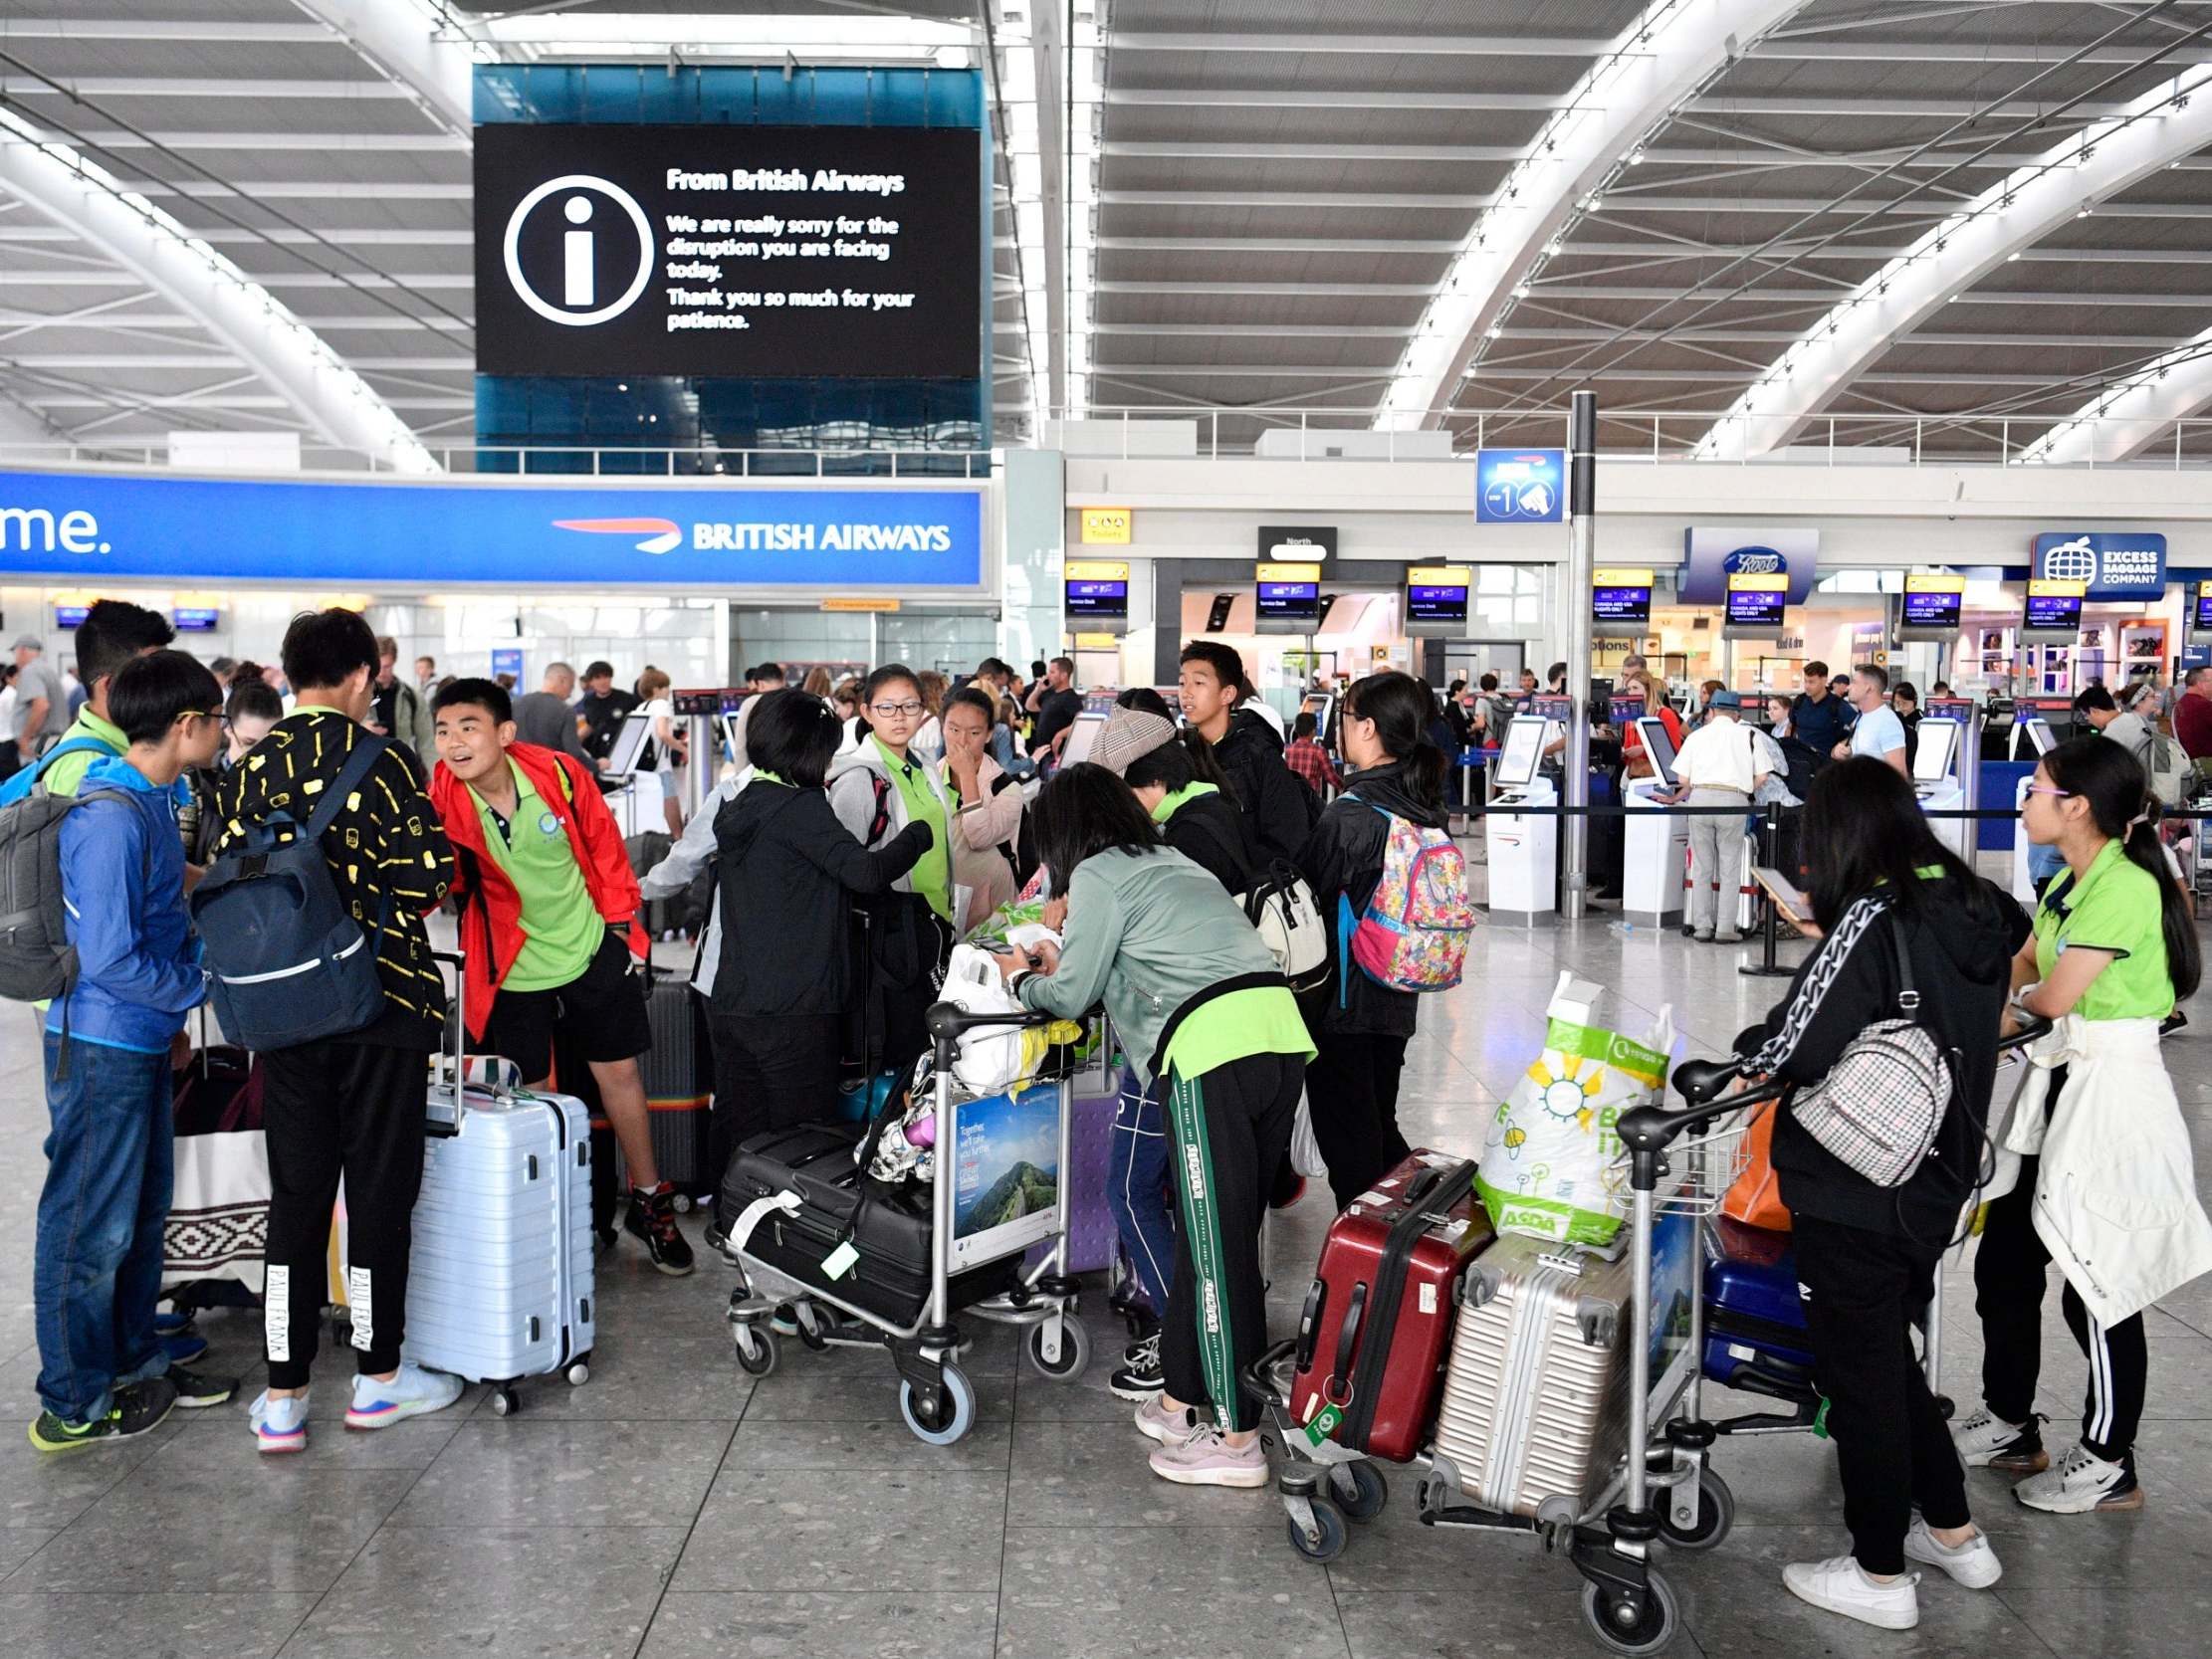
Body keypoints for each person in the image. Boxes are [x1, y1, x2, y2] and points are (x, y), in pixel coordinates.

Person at [1734, 758, 2026, 1631]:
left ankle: (1878, 1571)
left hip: (1856, 1178)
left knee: (1856, 1373)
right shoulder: (1979, 903)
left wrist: (1742, 1054)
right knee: (1886, 1357)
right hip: (1936, 1176)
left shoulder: (1873, 915)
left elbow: (1794, 1043)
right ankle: (1956, 1530)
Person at [996, 763, 1312, 1488]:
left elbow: (1071, 996)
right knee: (1221, 1238)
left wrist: (1023, 976)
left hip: (1211, 1053)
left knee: (1215, 1246)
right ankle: (1180, 1400)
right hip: (1275, 1035)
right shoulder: (1170, 858)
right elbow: (1145, 961)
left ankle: (1236, 1443)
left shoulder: (1101, 873)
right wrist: (1062, 958)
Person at [212, 608, 461, 1453]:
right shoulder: (383, 760)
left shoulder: (246, 771)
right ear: (361, 677)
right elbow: (429, 877)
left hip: (281, 1011)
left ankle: (283, 1396)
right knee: (379, 1192)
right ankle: (377, 1379)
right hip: (380, 1005)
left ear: (288, 675)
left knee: (299, 1195)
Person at [1957, 736, 2210, 1514]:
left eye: (2035, 788)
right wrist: (1997, 999)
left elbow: (2056, 995)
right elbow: (2029, 962)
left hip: (2112, 1096)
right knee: (2004, 1259)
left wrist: (2001, 1008)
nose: (2023, 799)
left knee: (2097, 1279)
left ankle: (2110, 1460)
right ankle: (2008, 1421)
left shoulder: (2126, 888)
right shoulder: (2072, 878)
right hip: (2059, 1083)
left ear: (2077, 805)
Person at [29, 650, 236, 1454]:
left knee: (139, 1215)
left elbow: (154, 916)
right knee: (88, 1225)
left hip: (143, 1038)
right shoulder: (112, 813)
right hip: (100, 1043)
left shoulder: (153, 797)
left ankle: (132, 1361)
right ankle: (72, 1400)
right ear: (185, 725)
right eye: (215, 720)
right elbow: (112, 955)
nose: (221, 733)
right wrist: (201, 987)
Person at [428, 679, 694, 1278]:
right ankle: (562, 1214)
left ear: (504, 733)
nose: (454, 742)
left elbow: (605, 852)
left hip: (587, 947)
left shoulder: (559, 776)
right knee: (537, 1099)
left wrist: (620, 934)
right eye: (443, 730)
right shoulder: (441, 798)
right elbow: (440, 885)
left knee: (621, 1077)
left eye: (468, 726)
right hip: (511, 967)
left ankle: (650, 1202)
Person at [710, 690, 932, 1176]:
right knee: (800, 1142)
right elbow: (867, 874)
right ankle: (786, 1245)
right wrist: (917, 836)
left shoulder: (739, 803)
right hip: (796, 1005)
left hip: (733, 1001)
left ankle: (733, 1229)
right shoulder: (800, 809)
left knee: (745, 1133)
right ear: (807, 750)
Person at [1297, 672, 1448, 1210]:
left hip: (1343, 1002)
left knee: (1352, 1148)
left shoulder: (1352, 812)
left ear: (1365, 727)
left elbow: (1308, 898)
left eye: (1344, 719)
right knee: (1377, 1123)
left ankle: (1374, 1264)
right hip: (1396, 994)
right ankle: (1417, 1231)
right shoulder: (1423, 802)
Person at [828, 665, 957, 1075]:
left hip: (933, 923)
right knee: (901, 1045)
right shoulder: (859, 776)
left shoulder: (923, 764)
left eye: (910, 706)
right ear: (866, 712)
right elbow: (846, 864)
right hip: (891, 935)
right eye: (887, 707)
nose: (900, 716)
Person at [1179, 640, 1312, 866]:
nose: (1186, 693)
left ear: (1228, 694)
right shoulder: (1184, 754)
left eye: (1199, 682)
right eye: (1182, 683)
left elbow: (1288, 837)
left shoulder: (1258, 754)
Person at [1660, 690, 1768, 943]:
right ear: (1737, 713)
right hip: (1734, 801)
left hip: (1700, 800)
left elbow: (1682, 779)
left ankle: (1702, 927)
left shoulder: (1697, 736)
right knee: (1730, 867)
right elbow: (1763, 777)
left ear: (1711, 711)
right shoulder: (1750, 735)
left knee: (1701, 866)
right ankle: (1725, 929)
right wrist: (1745, 788)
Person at [939, 685, 1026, 929]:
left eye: (974, 732)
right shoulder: (927, 779)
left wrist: (967, 776)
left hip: (990, 911)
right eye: (953, 729)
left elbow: (979, 837)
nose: (962, 741)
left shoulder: (1007, 789)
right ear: (942, 727)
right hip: (938, 905)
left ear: (988, 734)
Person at [1783, 660, 1851, 798]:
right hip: (1800, 766)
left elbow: (1859, 727)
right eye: (1805, 681)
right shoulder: (1800, 701)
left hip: (1827, 768)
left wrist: (1842, 745)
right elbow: (1790, 727)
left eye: (1811, 682)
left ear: (1824, 680)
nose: (1807, 686)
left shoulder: (1837, 705)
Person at [510, 662, 595, 767]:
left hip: (518, 774)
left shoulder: (515, 704)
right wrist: (596, 765)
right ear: (562, 680)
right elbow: (574, 753)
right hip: (550, 776)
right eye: (571, 687)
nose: (570, 694)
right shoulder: (565, 711)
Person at [636, 667, 688, 837]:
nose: (669, 691)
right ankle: (678, 838)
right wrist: (684, 749)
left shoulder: (641, 707)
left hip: (644, 768)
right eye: (666, 687)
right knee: (670, 800)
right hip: (660, 767)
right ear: (656, 689)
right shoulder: (661, 704)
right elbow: (663, 733)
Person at [369, 636, 435, 764]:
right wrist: (361, 730)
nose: (381, 672)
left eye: (386, 666)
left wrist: (438, 781)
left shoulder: (412, 697)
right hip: (367, 771)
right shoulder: (357, 696)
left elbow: (427, 744)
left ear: (394, 661)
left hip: (400, 769)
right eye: (378, 666)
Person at [1839, 665, 1907, 778]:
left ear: (1868, 688)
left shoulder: (1887, 722)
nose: (1848, 687)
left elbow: (1898, 773)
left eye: (1854, 682)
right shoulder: (1862, 717)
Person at [2073, 683, 2153, 773]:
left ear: (2093, 711)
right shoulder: (2135, 718)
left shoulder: (2110, 735)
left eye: (2085, 715)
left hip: (2140, 781)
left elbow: (2108, 772)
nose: (2088, 720)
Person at [12, 634, 69, 761]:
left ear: (22, 650)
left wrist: (25, 738)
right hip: (52, 741)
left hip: (39, 743)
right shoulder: (48, 670)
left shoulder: (30, 671)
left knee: (33, 779)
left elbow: (41, 706)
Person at [574, 661, 640, 764]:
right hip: (599, 756)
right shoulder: (589, 702)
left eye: (606, 676)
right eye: (598, 678)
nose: (603, 681)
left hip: (624, 755)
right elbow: (590, 725)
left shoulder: (627, 699)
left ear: (611, 678)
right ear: (591, 682)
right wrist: (572, 741)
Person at [1027, 655, 1084, 762]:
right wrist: (1038, 689)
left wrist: (1060, 734)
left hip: (1056, 756)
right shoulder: (1049, 694)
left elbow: (1081, 722)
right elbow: (1030, 706)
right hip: (1042, 754)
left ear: (1063, 675)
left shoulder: (1070, 698)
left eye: (1052, 672)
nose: (1048, 675)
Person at [1283, 710, 1339, 799]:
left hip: (1291, 799)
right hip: (1311, 801)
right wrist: (1345, 788)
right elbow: (1331, 777)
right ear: (1313, 730)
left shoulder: (1286, 751)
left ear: (1296, 730)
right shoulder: (1318, 751)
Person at [2174, 665, 2212, 767]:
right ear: (2200, 684)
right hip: (2205, 766)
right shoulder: (2204, 706)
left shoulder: (2181, 703)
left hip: (2189, 765)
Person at [1890, 681, 1922, 772]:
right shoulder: (1893, 718)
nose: (1900, 707)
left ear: (1914, 701)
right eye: (1897, 703)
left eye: (1904, 703)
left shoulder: (1919, 719)